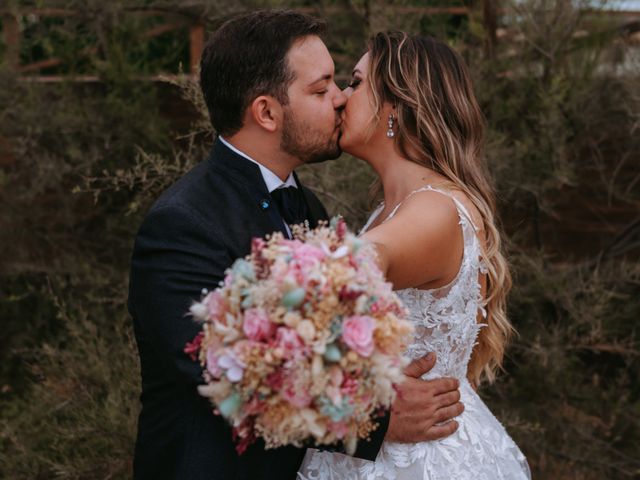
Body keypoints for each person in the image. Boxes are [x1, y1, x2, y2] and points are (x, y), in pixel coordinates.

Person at [128, 12, 463, 480]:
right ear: (266, 112)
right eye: (321, 89)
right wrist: (376, 416)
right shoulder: (183, 223)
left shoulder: (307, 207)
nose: (341, 99)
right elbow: (221, 375)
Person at [297, 32, 532, 479]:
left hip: (415, 459)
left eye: (356, 82)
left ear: (397, 107)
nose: (343, 98)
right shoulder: (397, 207)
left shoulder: (435, 211)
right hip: (378, 441)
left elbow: (372, 258)